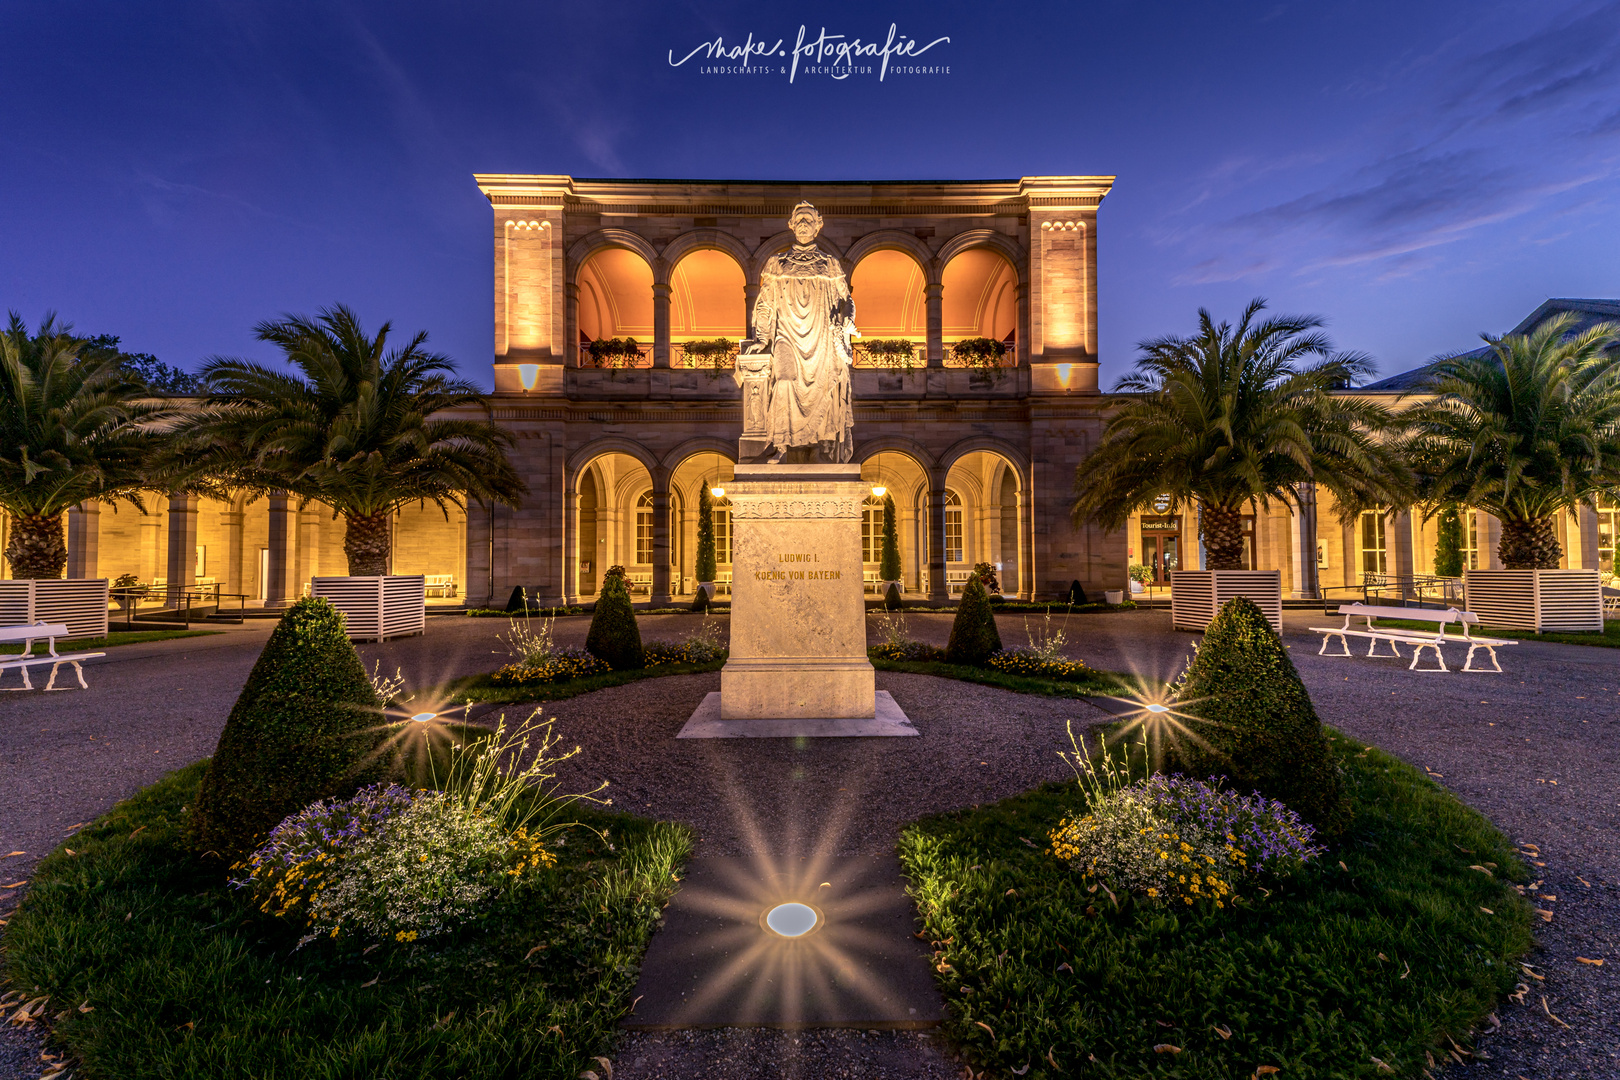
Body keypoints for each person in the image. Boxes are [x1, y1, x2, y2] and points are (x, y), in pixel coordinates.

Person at [742, 202, 856, 463]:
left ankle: (816, 445)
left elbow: (845, 299)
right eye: (799, 219)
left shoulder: (830, 264)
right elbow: (765, 303)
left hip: (822, 338)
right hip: (787, 336)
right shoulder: (777, 263)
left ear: (819, 225)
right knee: (784, 381)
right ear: (791, 225)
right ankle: (781, 444)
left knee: (824, 384)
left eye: (809, 219)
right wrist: (761, 338)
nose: (804, 223)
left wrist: (848, 320)